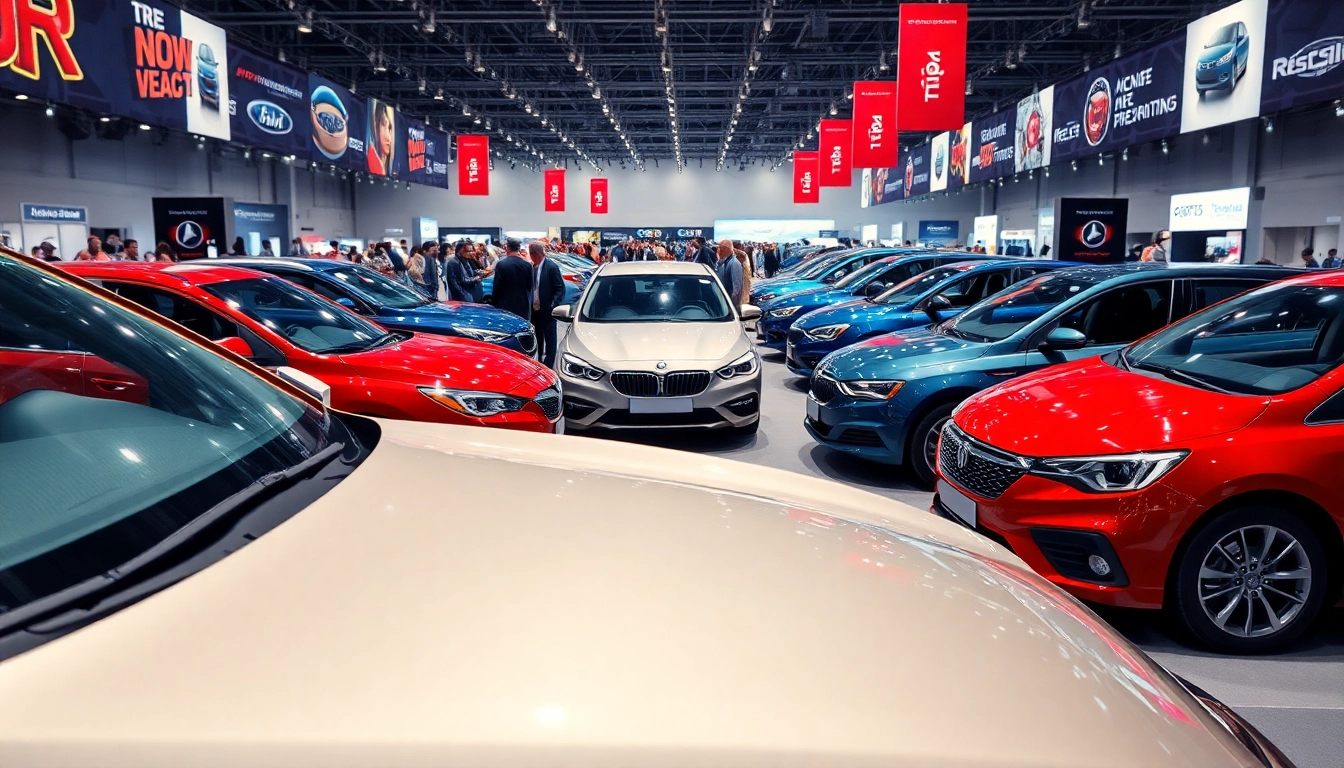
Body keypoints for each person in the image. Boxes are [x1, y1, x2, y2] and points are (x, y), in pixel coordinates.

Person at [529, 241, 565, 368]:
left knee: (550, 340)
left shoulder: (551, 267)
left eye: (531, 255)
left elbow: (560, 288)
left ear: (536, 254)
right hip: (535, 311)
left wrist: (553, 305)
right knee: (537, 338)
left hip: (547, 310)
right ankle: (538, 363)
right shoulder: (532, 267)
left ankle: (548, 366)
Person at [490, 238, 534, 321]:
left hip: (504, 303)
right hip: (522, 304)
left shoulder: (501, 264)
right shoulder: (528, 265)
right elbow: (530, 285)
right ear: (519, 249)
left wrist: (494, 303)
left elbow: (497, 286)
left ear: (508, 248)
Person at [714, 239, 743, 311]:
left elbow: (737, 289)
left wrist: (732, 306)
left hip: (730, 305)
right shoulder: (725, 262)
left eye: (719, 247)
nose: (718, 250)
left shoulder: (734, 263)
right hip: (724, 302)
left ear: (725, 249)